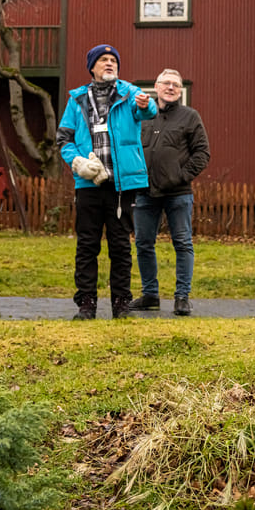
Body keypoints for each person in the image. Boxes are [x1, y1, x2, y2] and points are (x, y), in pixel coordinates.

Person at [56, 44, 157, 320]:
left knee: (120, 246)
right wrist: (78, 163)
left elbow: (148, 112)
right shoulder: (76, 99)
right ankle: (86, 305)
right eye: (103, 60)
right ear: (92, 67)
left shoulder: (130, 93)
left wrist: (147, 104)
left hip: (121, 186)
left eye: (114, 60)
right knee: (87, 245)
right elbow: (63, 139)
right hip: (88, 186)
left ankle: (121, 305)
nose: (110, 64)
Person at [134, 68, 210, 316]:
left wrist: (180, 176)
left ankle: (182, 297)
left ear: (180, 91)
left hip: (178, 193)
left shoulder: (190, 117)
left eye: (175, 85)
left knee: (183, 243)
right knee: (144, 243)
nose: (170, 88)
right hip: (144, 192)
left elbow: (202, 154)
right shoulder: (143, 116)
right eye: (166, 83)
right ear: (156, 87)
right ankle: (150, 295)